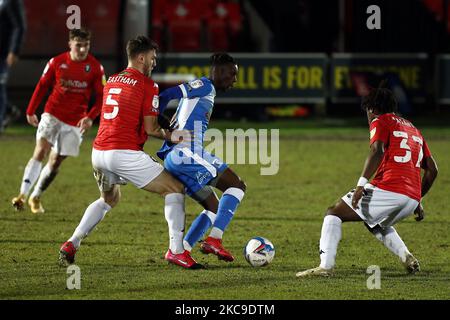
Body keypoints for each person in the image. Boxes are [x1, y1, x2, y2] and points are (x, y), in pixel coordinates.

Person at [58, 35, 201, 270]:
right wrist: (178, 135)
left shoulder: (112, 80)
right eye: (153, 59)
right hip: (123, 152)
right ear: (141, 57)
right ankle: (177, 251)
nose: (154, 63)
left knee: (110, 199)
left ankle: (72, 242)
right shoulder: (148, 85)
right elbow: (151, 128)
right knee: (175, 189)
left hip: (99, 152)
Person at [296, 84, 438, 278]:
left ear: (372, 109)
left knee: (334, 213)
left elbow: (376, 151)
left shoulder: (380, 121)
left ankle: (325, 267)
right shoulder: (414, 130)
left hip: (391, 189)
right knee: (374, 222)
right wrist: (418, 199)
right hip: (411, 198)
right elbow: (432, 170)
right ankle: (407, 257)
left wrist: (361, 184)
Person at [156, 53, 246, 262]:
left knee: (213, 206)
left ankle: (181, 250)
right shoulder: (204, 85)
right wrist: (159, 118)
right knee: (237, 186)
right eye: (232, 74)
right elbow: (166, 95)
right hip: (184, 153)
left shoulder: (207, 90)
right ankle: (214, 240)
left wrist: (163, 120)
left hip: (178, 156)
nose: (234, 79)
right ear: (220, 71)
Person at [11, 28, 105, 214]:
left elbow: (102, 96)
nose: (82, 49)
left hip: (75, 122)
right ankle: (21, 195)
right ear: (70, 44)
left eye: (86, 45)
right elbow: (42, 86)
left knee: (55, 163)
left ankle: (35, 196)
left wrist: (90, 117)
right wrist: (30, 111)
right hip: (52, 114)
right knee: (41, 151)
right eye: (78, 45)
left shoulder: (95, 67)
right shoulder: (57, 62)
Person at [0, 0, 26, 133]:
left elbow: (19, 26)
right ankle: (8, 110)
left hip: (3, 52)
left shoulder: (12, 2)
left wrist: (13, 51)